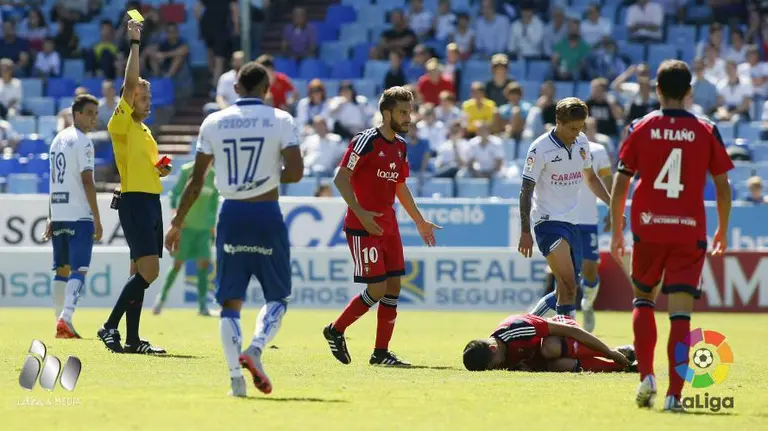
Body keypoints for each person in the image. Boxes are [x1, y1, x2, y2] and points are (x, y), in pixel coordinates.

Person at [165, 61, 304, 397]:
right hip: (266, 213)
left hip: (231, 214)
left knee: (230, 301)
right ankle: (255, 348)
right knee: (277, 296)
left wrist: (177, 222)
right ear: (266, 89)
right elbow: (296, 172)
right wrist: (268, 174)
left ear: (237, 88)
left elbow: (197, 182)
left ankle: (235, 382)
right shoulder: (281, 120)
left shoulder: (213, 122)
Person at [610, 60, 734, 412]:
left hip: (648, 225)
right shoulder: (707, 129)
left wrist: (617, 230)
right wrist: (723, 228)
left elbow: (621, 184)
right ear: (690, 91)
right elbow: (723, 187)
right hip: (688, 230)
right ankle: (674, 397)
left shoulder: (640, 125)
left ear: (658, 90)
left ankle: (646, 375)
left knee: (643, 300)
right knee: (681, 315)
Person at [322, 87, 440, 367]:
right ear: (387, 113)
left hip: (388, 225)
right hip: (364, 226)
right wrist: (361, 213)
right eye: (402, 112)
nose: (408, 117)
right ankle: (335, 330)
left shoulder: (400, 146)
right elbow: (340, 178)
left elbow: (400, 186)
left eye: (409, 111)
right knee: (376, 289)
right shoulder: (366, 141)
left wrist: (420, 221)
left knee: (394, 287)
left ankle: (381, 353)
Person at [97, 19, 171, 355]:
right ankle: (109, 327)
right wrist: (135, 43)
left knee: (138, 271)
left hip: (151, 200)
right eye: (142, 96)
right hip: (136, 202)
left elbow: (145, 167)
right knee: (151, 271)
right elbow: (127, 85)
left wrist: (160, 170)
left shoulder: (144, 131)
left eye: (148, 96)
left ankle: (132, 339)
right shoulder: (121, 123)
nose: (147, 100)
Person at [518, 98, 612, 319]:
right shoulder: (539, 148)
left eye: (580, 128)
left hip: (573, 222)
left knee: (564, 289)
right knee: (569, 285)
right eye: (572, 128)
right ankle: (569, 341)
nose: (576, 133)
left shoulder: (582, 142)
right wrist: (525, 231)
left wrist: (612, 205)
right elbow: (525, 190)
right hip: (547, 222)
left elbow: (591, 177)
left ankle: (528, 324)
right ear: (558, 122)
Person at [42, 94, 103, 339]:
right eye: (89, 113)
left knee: (62, 269)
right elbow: (88, 181)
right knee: (79, 268)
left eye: (96, 114)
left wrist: (50, 215)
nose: (93, 118)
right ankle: (65, 318)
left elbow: (53, 181)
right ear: (76, 114)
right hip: (79, 214)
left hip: (58, 212)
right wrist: (97, 218)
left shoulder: (57, 140)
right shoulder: (83, 142)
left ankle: (60, 322)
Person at [154, 160, 219, 316]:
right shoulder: (186, 170)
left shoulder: (213, 175)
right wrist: (177, 221)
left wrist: (211, 225)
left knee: (203, 264)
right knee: (177, 264)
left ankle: (202, 306)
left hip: (203, 229)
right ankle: (161, 301)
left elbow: (214, 202)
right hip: (186, 227)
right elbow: (175, 194)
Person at [462, 313, 632, 372]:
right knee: (558, 365)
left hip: (563, 331)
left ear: (493, 348)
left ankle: (618, 352)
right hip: (546, 359)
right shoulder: (497, 353)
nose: (497, 368)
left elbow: (573, 331)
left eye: (493, 366)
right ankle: (625, 366)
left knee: (549, 349)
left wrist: (609, 352)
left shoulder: (519, 328)